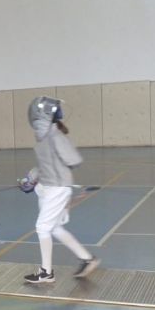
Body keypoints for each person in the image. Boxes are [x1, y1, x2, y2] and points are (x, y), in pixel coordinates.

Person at [21, 96, 100, 284]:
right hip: (47, 187)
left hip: (57, 189)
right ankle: (88, 259)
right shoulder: (42, 137)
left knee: (42, 228)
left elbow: (74, 159)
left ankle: (46, 273)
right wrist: (30, 178)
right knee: (54, 228)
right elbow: (44, 165)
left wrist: (59, 169)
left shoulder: (55, 136)